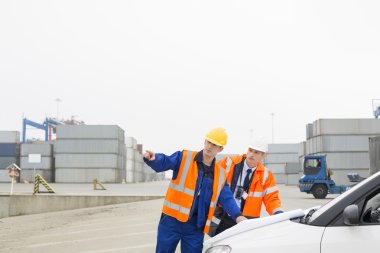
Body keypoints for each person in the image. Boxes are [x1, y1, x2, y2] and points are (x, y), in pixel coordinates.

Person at [143, 127, 246, 253]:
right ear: (204, 141)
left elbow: (227, 198)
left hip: (196, 226)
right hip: (171, 221)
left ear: (220, 149)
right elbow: (166, 161)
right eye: (208, 142)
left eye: (214, 145)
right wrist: (154, 159)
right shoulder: (184, 158)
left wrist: (238, 216)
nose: (209, 146)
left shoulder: (220, 174)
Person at [214, 141, 283, 235]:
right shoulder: (228, 163)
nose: (251, 154)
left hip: (249, 221)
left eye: (256, 152)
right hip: (225, 216)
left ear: (263, 156)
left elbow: (272, 198)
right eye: (250, 150)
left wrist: (278, 213)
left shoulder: (266, 175)